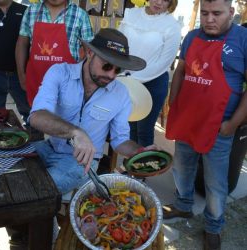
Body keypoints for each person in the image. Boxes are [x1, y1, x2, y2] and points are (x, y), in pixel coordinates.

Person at [28, 28, 160, 195]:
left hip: (82, 162)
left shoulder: (121, 94)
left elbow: (120, 140)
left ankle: (47, 218)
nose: (112, 75)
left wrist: (138, 152)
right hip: (49, 147)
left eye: (117, 70)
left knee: (35, 191)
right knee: (6, 164)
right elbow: (37, 116)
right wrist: (76, 132)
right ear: (89, 53)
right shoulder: (60, 73)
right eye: (106, 66)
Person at [164, 0, 247, 249]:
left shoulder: (243, 38)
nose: (209, 19)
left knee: (216, 181)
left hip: (219, 125)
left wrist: (232, 124)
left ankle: (213, 225)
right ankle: (183, 205)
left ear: (231, 13)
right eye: (205, 13)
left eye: (217, 14)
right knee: (182, 167)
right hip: (188, 118)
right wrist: (173, 104)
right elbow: (180, 71)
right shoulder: (191, 36)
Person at [118, 0, 181, 147]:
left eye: (165, 0)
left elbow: (164, 62)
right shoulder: (131, 14)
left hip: (153, 83)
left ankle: (145, 168)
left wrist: (132, 79)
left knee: (144, 131)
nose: (159, 2)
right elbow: (118, 44)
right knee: (130, 128)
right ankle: (130, 168)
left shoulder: (172, 26)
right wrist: (121, 74)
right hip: (127, 79)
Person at [15, 0, 94, 106]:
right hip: (35, 81)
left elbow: (90, 52)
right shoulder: (31, 11)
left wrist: (85, 80)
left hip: (67, 85)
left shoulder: (80, 15)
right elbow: (22, 43)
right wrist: (21, 75)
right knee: (36, 118)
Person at [0, 0, 30, 123]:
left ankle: (35, 141)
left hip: (20, 74)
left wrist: (24, 75)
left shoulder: (25, 11)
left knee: (29, 111)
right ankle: (2, 140)